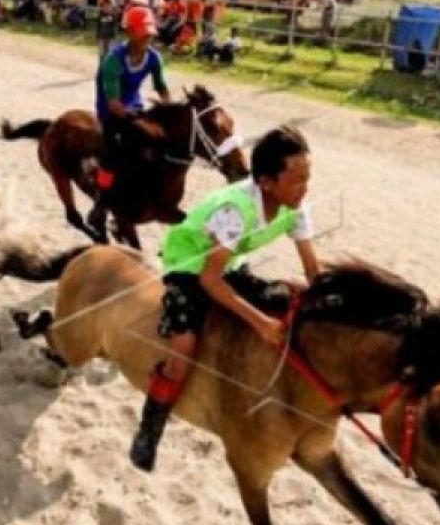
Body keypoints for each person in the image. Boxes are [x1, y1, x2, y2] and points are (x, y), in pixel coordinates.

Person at [128, 126, 321, 470]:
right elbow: (210, 280)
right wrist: (261, 323)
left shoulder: (296, 205)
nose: (304, 189)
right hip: (189, 265)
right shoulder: (236, 209)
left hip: (232, 264)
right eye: (296, 180)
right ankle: (149, 428)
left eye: (308, 178)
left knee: (291, 295)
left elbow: (312, 270)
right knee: (183, 347)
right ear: (265, 182)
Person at [94, 5, 170, 194]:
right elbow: (113, 104)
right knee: (112, 154)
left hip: (134, 105)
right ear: (130, 32)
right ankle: (101, 199)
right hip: (110, 109)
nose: (148, 37)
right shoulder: (113, 60)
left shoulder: (154, 58)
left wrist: (169, 110)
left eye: (150, 32)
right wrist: (136, 118)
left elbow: (161, 87)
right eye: (143, 32)